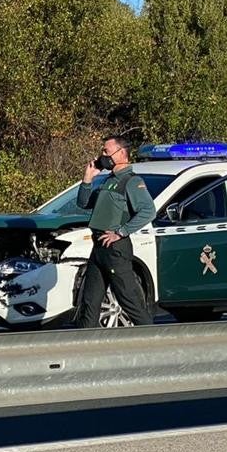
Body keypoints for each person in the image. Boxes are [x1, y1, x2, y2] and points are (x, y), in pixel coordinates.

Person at [72, 135, 157, 327]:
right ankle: (87, 349)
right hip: (99, 248)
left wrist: (121, 232)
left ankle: (153, 341)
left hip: (116, 249)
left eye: (106, 151)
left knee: (130, 300)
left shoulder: (132, 181)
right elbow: (83, 203)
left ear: (121, 154)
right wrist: (87, 179)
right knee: (89, 303)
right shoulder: (108, 181)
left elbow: (148, 211)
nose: (102, 155)